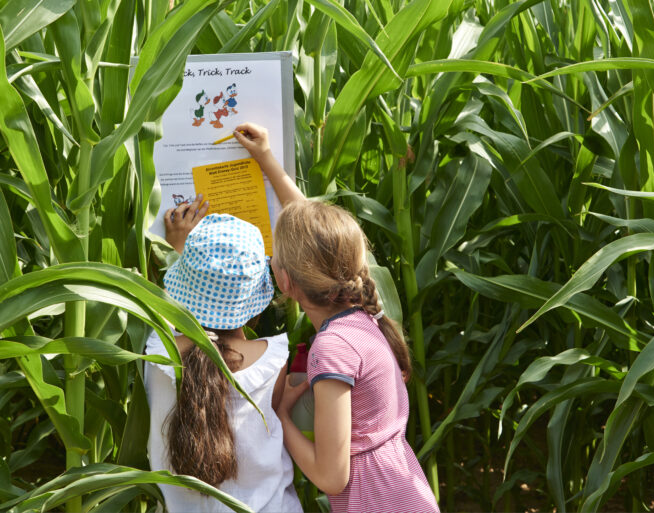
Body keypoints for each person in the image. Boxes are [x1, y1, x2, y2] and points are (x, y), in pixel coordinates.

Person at [233, 122, 440, 513]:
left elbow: (331, 478)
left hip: (374, 501)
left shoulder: (332, 348)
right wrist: (265, 160)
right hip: (402, 494)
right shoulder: (362, 311)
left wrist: (279, 417)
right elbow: (314, 237)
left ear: (285, 281)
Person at [144, 199, 302, 513]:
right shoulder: (273, 360)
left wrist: (177, 249)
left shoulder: (157, 353)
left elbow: (172, 315)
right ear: (254, 303)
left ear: (185, 287)